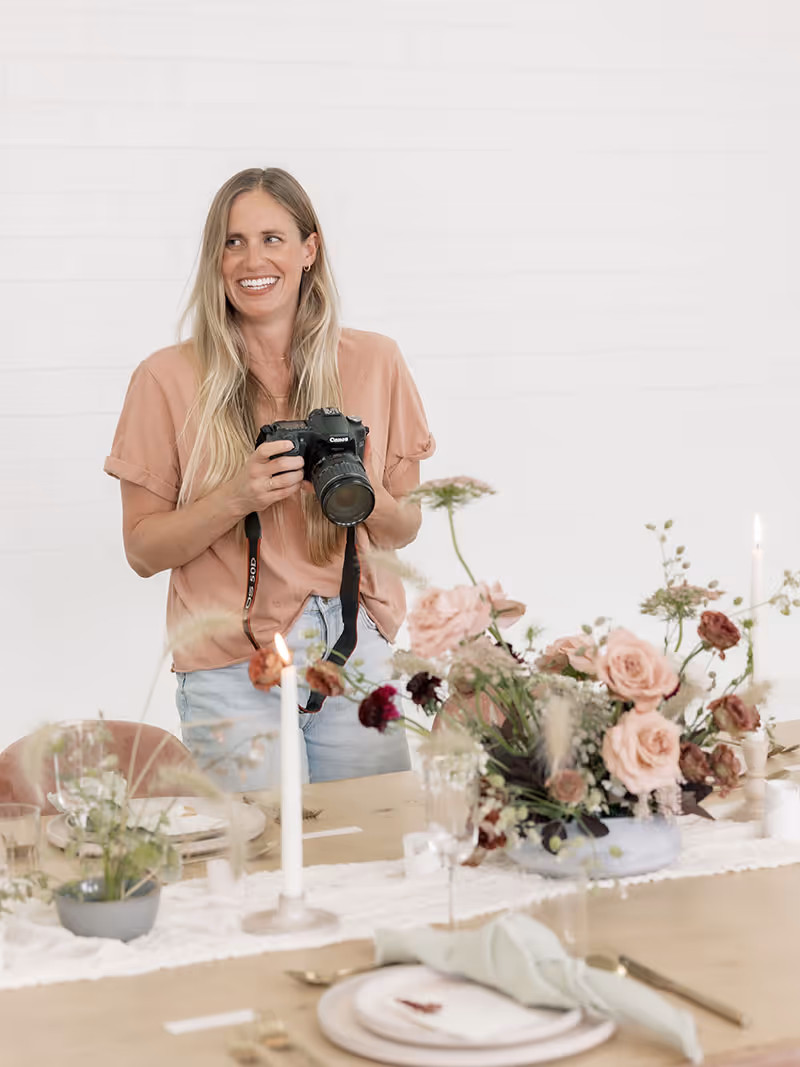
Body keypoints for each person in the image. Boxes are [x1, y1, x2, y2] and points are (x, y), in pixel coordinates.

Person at [104, 167, 435, 791]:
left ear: (309, 250)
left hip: (353, 642)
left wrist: (358, 492)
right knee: (255, 861)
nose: (252, 259)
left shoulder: (376, 361)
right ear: (214, 258)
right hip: (230, 656)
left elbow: (406, 527)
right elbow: (142, 549)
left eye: (272, 239)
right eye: (233, 242)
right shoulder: (166, 378)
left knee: (370, 852)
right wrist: (238, 495)